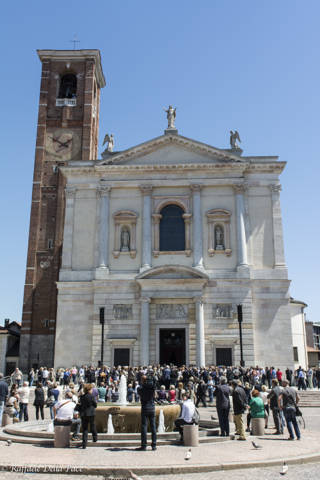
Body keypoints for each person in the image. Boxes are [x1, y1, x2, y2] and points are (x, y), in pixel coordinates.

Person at [137, 374, 157, 451]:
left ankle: (144, 445)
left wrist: (144, 383)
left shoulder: (140, 388)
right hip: (152, 408)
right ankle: (154, 445)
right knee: (153, 427)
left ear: (142, 380)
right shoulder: (152, 388)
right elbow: (155, 383)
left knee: (144, 427)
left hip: (145, 408)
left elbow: (140, 390)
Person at [77, 383, 98, 449]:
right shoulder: (91, 396)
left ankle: (84, 444)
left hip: (84, 414)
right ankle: (94, 438)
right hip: (91, 413)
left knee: (85, 429)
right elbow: (95, 405)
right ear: (89, 389)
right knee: (92, 426)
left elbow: (80, 404)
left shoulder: (82, 397)